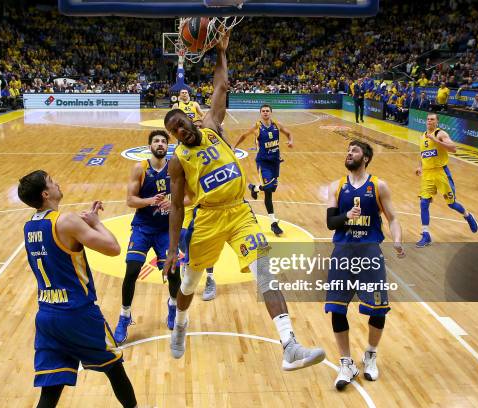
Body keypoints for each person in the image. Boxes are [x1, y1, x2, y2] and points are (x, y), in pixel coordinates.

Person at [163, 31, 325, 370]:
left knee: (265, 271)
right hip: (206, 219)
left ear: (190, 118)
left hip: (239, 214)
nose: (182, 130)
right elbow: (177, 206)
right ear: (173, 136)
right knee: (190, 283)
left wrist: (221, 54)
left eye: (182, 123)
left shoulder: (211, 126)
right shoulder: (177, 160)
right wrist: (171, 249)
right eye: (175, 130)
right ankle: (180, 324)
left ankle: (290, 345)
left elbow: (221, 88)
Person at [17, 170, 137, 408]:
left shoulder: (29, 227)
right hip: (77, 313)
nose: (57, 182)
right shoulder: (66, 220)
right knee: (114, 366)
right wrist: (96, 223)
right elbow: (113, 248)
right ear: (45, 193)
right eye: (52, 181)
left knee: (51, 388)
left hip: (47, 315)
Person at [326, 140, 405, 390]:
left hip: (370, 253)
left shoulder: (378, 185)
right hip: (342, 253)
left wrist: (398, 240)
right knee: (337, 309)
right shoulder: (336, 187)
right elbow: (331, 222)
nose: (349, 153)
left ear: (366, 158)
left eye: (355, 151)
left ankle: (370, 354)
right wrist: (346, 217)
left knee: (378, 309)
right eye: (348, 150)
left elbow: (393, 218)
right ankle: (346, 362)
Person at [113, 130, 181, 344]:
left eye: (163, 141)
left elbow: (189, 195)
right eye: (156, 141)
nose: (160, 144)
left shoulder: (175, 167)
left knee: (173, 273)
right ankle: (124, 316)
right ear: (149, 146)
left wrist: (175, 203)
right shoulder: (140, 168)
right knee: (132, 270)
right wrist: (151, 200)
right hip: (143, 227)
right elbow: (131, 200)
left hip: (165, 229)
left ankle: (172, 305)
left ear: (167, 146)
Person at [416, 113, 478, 247]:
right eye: (427, 119)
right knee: (423, 203)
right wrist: (420, 166)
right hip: (427, 174)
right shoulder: (422, 135)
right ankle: (426, 235)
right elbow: (422, 153)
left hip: (441, 173)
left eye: (432, 119)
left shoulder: (440, 134)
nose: (429, 121)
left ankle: (467, 215)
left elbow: (454, 149)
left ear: (437, 122)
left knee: (451, 204)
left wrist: (436, 140)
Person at [233, 104, 294, 236]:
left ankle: (254, 188)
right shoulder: (257, 126)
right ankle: (273, 223)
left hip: (275, 162)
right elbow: (244, 135)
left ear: (271, 113)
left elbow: (289, 133)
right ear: (260, 113)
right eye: (263, 111)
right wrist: (234, 146)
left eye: (267, 111)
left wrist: (290, 141)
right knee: (268, 189)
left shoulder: (277, 124)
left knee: (271, 189)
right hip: (263, 162)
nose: (265, 113)